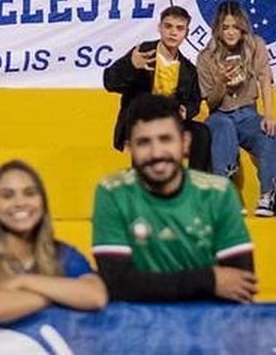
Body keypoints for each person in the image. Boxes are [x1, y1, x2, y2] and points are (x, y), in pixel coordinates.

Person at [91, 94, 256, 302]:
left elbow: (241, 284)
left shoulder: (218, 193)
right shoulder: (113, 193)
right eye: (143, 142)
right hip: (137, 327)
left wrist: (148, 284)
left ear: (185, 142)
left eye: (165, 139)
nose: (156, 152)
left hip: (208, 326)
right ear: (130, 147)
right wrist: (209, 280)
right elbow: (116, 284)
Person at [0, 161, 107, 323]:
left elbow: (96, 296)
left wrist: (23, 281)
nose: (20, 203)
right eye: (7, 195)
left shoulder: (64, 254)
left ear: (43, 202)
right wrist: (61, 296)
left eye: (30, 193)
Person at [196, 1, 276, 216]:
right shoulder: (206, 56)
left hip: (248, 113)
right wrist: (221, 82)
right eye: (225, 27)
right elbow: (211, 102)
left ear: (243, 27)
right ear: (218, 29)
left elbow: (265, 80)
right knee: (224, 127)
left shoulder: (255, 45)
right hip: (220, 114)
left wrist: (270, 116)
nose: (230, 32)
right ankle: (225, 194)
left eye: (235, 27)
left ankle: (268, 194)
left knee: (273, 131)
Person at [102, 6, 212, 172]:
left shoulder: (188, 69)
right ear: (159, 28)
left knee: (201, 132)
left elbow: (194, 103)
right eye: (168, 26)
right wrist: (131, 65)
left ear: (186, 33)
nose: (173, 33)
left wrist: (185, 112)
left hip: (171, 122)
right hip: (141, 121)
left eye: (179, 28)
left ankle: (194, 186)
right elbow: (110, 82)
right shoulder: (143, 53)